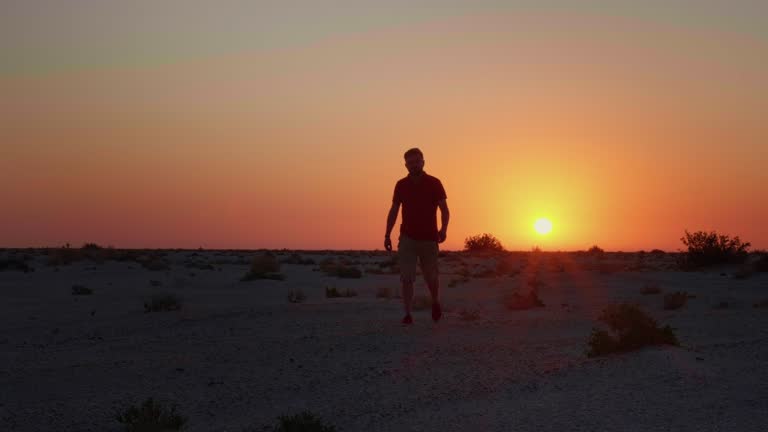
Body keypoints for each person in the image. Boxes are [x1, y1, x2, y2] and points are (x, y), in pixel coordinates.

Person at [384, 148, 449, 325]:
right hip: (407, 238)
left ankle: (435, 302)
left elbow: (444, 209)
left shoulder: (435, 183)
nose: (414, 165)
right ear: (406, 165)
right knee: (407, 277)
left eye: (417, 161)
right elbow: (394, 210)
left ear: (423, 162)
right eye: (410, 162)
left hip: (429, 238)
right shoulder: (401, 185)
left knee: (431, 276)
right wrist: (387, 234)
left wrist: (443, 230)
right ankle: (407, 314)